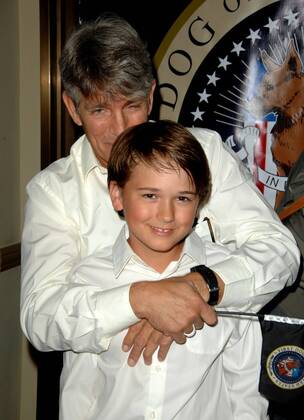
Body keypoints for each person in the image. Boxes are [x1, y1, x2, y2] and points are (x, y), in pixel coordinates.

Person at [20, 11, 299, 397]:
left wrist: (197, 286)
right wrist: (140, 300)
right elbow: (41, 318)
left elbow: (280, 252)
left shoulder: (206, 153)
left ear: (151, 95)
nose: (121, 128)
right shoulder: (53, 192)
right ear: (72, 109)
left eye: (131, 105)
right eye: (99, 110)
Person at [50, 119, 268, 419]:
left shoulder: (229, 277)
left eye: (182, 198)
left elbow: (243, 395)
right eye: (150, 195)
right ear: (117, 195)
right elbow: (79, 394)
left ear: (200, 202)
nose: (166, 215)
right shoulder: (89, 280)